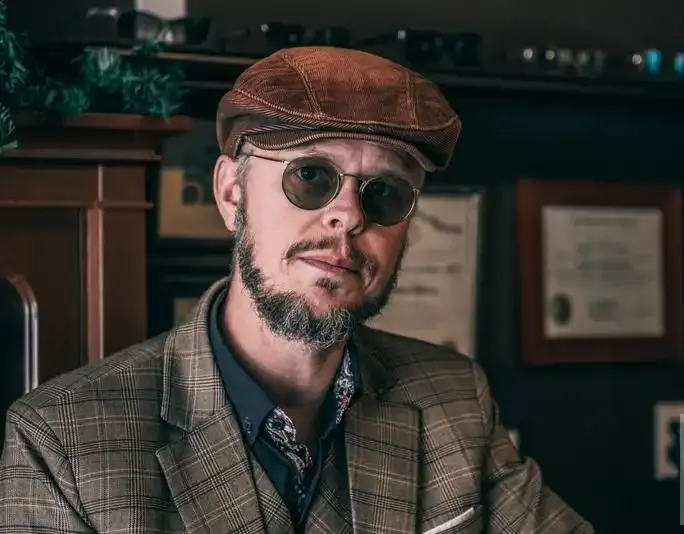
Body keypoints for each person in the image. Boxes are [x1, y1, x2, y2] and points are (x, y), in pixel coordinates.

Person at [0, 46, 592, 533]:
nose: (348, 216)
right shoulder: (63, 444)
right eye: (310, 175)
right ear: (231, 193)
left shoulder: (453, 399)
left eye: (384, 192)